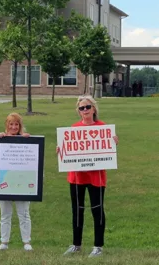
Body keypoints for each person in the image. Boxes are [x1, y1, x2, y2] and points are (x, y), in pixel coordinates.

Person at [57, 95, 118, 257]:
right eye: (81, 108)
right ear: (78, 111)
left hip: (96, 177)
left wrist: (113, 143)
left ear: (94, 109)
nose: (85, 110)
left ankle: (98, 246)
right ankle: (76, 244)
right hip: (77, 177)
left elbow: (107, 148)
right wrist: (61, 150)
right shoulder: (74, 128)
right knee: (77, 210)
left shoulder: (102, 128)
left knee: (97, 210)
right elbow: (68, 149)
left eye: (87, 107)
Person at [0, 113, 34, 251]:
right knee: (5, 214)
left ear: (20, 126)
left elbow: (33, 158)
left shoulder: (26, 140)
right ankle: (4, 242)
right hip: (5, 182)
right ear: (7, 125)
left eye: (16, 124)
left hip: (22, 183)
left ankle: (26, 242)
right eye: (11, 124)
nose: (13, 127)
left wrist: (29, 141)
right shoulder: (0, 139)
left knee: (24, 214)